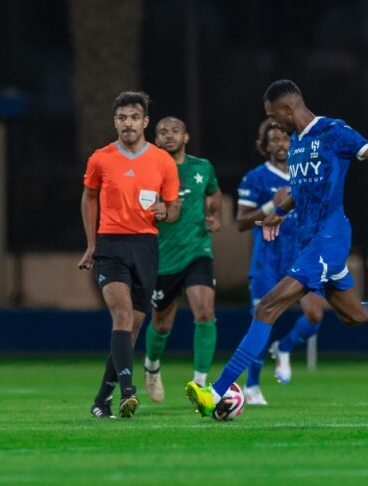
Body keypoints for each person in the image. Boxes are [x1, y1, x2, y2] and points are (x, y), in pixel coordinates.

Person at [185, 79, 368, 417]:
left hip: (329, 239)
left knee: (266, 310)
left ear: (289, 109)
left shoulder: (333, 131)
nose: (273, 124)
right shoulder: (297, 144)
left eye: (274, 116)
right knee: (355, 314)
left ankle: (216, 391)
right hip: (310, 241)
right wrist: (278, 213)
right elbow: (300, 190)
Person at [79, 91, 180, 419]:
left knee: (134, 326)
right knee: (121, 316)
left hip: (146, 247)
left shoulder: (162, 161)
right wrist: (92, 245)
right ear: (115, 122)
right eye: (122, 118)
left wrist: (167, 212)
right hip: (111, 246)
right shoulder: (101, 158)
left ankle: (101, 400)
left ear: (145, 122)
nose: (128, 123)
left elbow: (173, 208)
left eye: (134, 117)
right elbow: (89, 197)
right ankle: (128, 392)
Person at [236, 120, 324, 405]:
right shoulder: (255, 179)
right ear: (265, 145)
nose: (280, 144)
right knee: (263, 320)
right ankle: (251, 385)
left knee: (315, 315)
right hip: (268, 260)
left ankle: (284, 348)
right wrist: (269, 210)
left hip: (301, 256)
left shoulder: (307, 174)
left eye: (285, 138)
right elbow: (243, 223)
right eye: (274, 139)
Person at [142, 116, 222, 403]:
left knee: (205, 312)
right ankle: (151, 366)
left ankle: (200, 384)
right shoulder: (148, 171)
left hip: (197, 251)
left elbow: (213, 192)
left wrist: (215, 216)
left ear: (186, 137)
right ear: (155, 140)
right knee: (162, 323)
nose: (169, 135)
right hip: (163, 257)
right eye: (163, 132)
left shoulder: (202, 167)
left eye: (175, 131)